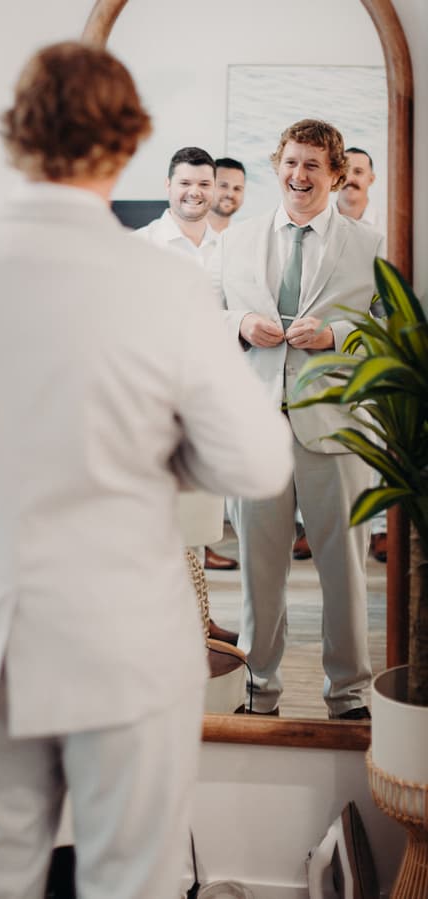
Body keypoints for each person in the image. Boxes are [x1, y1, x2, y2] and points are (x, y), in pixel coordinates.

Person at [0, 42, 293, 899]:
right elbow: (257, 461)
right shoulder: (169, 289)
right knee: (132, 883)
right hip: (125, 646)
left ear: (16, 138)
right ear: (128, 143)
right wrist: (155, 450)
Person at [211, 118, 384, 719]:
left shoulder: (371, 244)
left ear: (336, 176)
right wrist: (237, 325)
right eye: (290, 162)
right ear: (276, 165)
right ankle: (258, 691)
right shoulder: (235, 240)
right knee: (259, 571)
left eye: (313, 165)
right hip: (254, 429)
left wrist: (337, 334)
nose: (299, 175)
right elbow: (201, 318)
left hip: (334, 429)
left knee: (344, 571)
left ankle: (350, 696)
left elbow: (395, 333)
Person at [136, 146, 240, 574]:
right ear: (168, 186)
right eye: (185, 183)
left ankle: (200, 618)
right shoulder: (141, 246)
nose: (194, 193)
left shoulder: (233, 248)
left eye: (203, 184)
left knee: (200, 521)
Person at [337, 146, 387, 563]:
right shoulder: (324, 226)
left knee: (374, 441)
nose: (352, 177)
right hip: (325, 356)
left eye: (359, 170)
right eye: (346, 170)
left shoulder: (387, 231)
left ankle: (381, 528)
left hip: (372, 352)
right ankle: (308, 526)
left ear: (371, 178)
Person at [207, 157, 246, 234]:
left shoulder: (244, 236)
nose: (230, 194)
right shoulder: (184, 231)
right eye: (223, 185)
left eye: (237, 188)